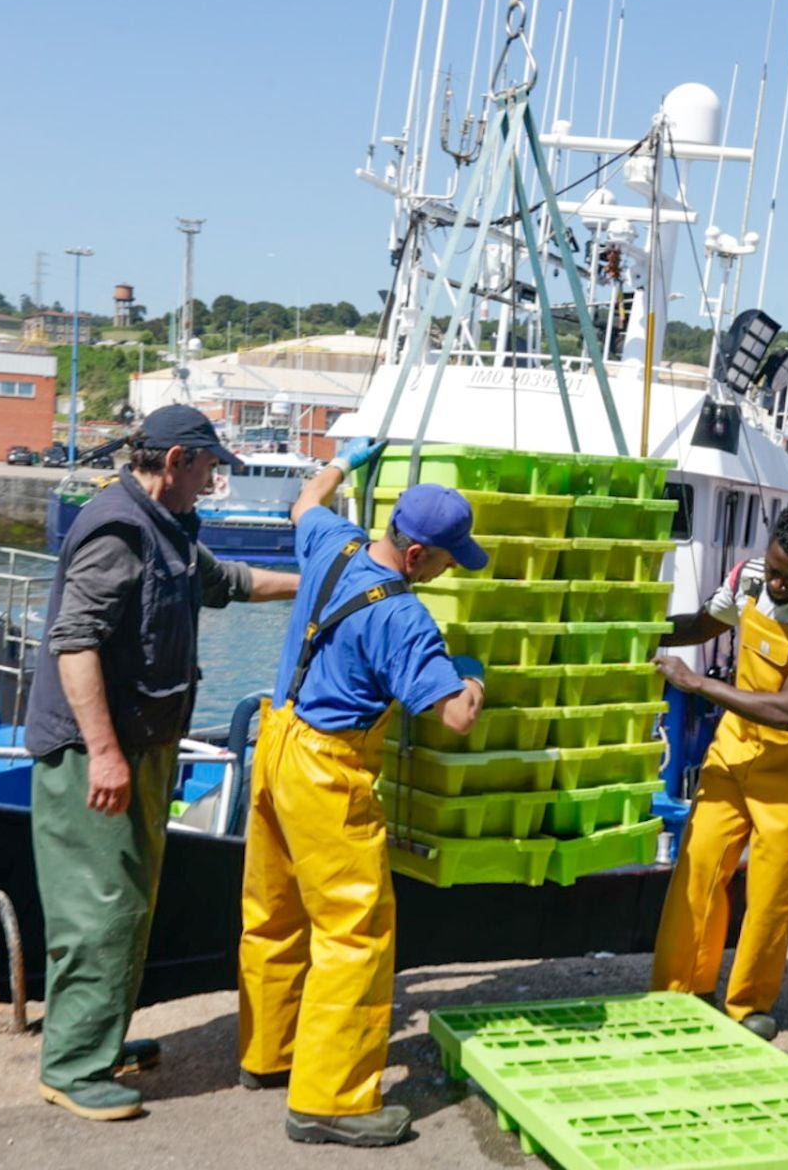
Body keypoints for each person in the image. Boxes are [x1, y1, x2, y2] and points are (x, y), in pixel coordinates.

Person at [27, 404, 298, 1122]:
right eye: (209, 467)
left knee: (127, 905)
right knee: (100, 910)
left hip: (144, 745)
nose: (214, 482)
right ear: (176, 461)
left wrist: (321, 585)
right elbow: (74, 642)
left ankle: (95, 1039)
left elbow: (231, 583)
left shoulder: (167, 529)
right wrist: (107, 756)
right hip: (96, 753)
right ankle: (72, 1068)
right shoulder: (119, 530)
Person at [239, 447, 487, 1149]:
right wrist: (471, 677)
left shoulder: (335, 542)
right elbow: (456, 717)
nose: (447, 571)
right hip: (329, 769)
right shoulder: (404, 619)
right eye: (445, 560)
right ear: (415, 557)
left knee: (273, 912)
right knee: (355, 935)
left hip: (277, 741)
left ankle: (270, 1052)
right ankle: (332, 1100)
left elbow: (307, 498)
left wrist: (345, 460)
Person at [649, 502, 788, 1043]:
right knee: (699, 861)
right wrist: (646, 631)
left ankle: (748, 1002)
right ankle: (682, 988)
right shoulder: (747, 578)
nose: (778, 582)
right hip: (737, 747)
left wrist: (694, 684)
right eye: (774, 567)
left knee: (772, 891)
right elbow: (702, 625)